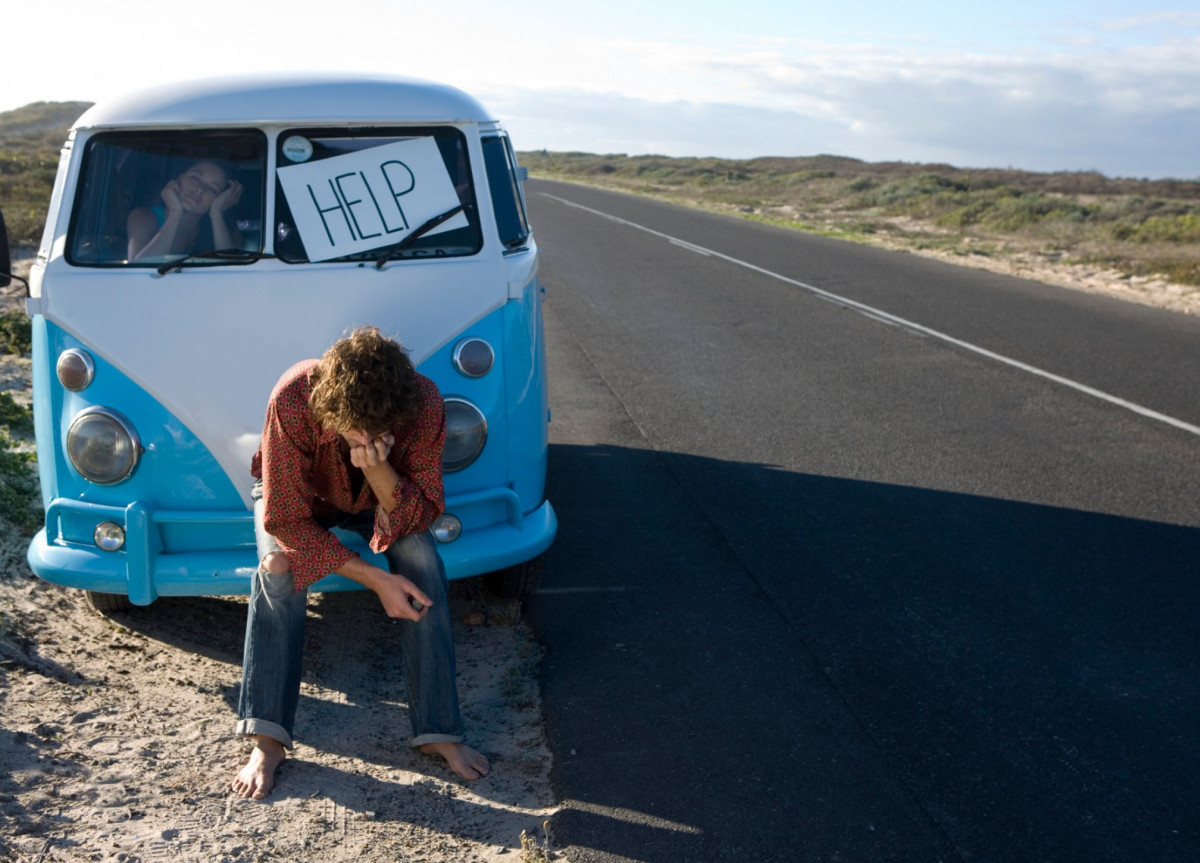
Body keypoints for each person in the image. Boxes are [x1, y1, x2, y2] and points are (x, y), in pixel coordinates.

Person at [230, 326, 489, 800]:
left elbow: (418, 512)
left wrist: (374, 464)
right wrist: (376, 580)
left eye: (380, 430)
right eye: (356, 428)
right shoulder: (293, 395)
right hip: (300, 499)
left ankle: (440, 732)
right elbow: (286, 519)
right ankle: (267, 742)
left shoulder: (424, 402)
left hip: (379, 496)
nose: (368, 436)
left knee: (421, 558)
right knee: (277, 571)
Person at [126, 159, 243, 260]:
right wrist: (175, 213)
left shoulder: (228, 231)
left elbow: (230, 277)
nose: (200, 189)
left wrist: (217, 213)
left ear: (221, 199)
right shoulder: (143, 216)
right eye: (195, 178)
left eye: (212, 188)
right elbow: (140, 270)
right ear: (179, 178)